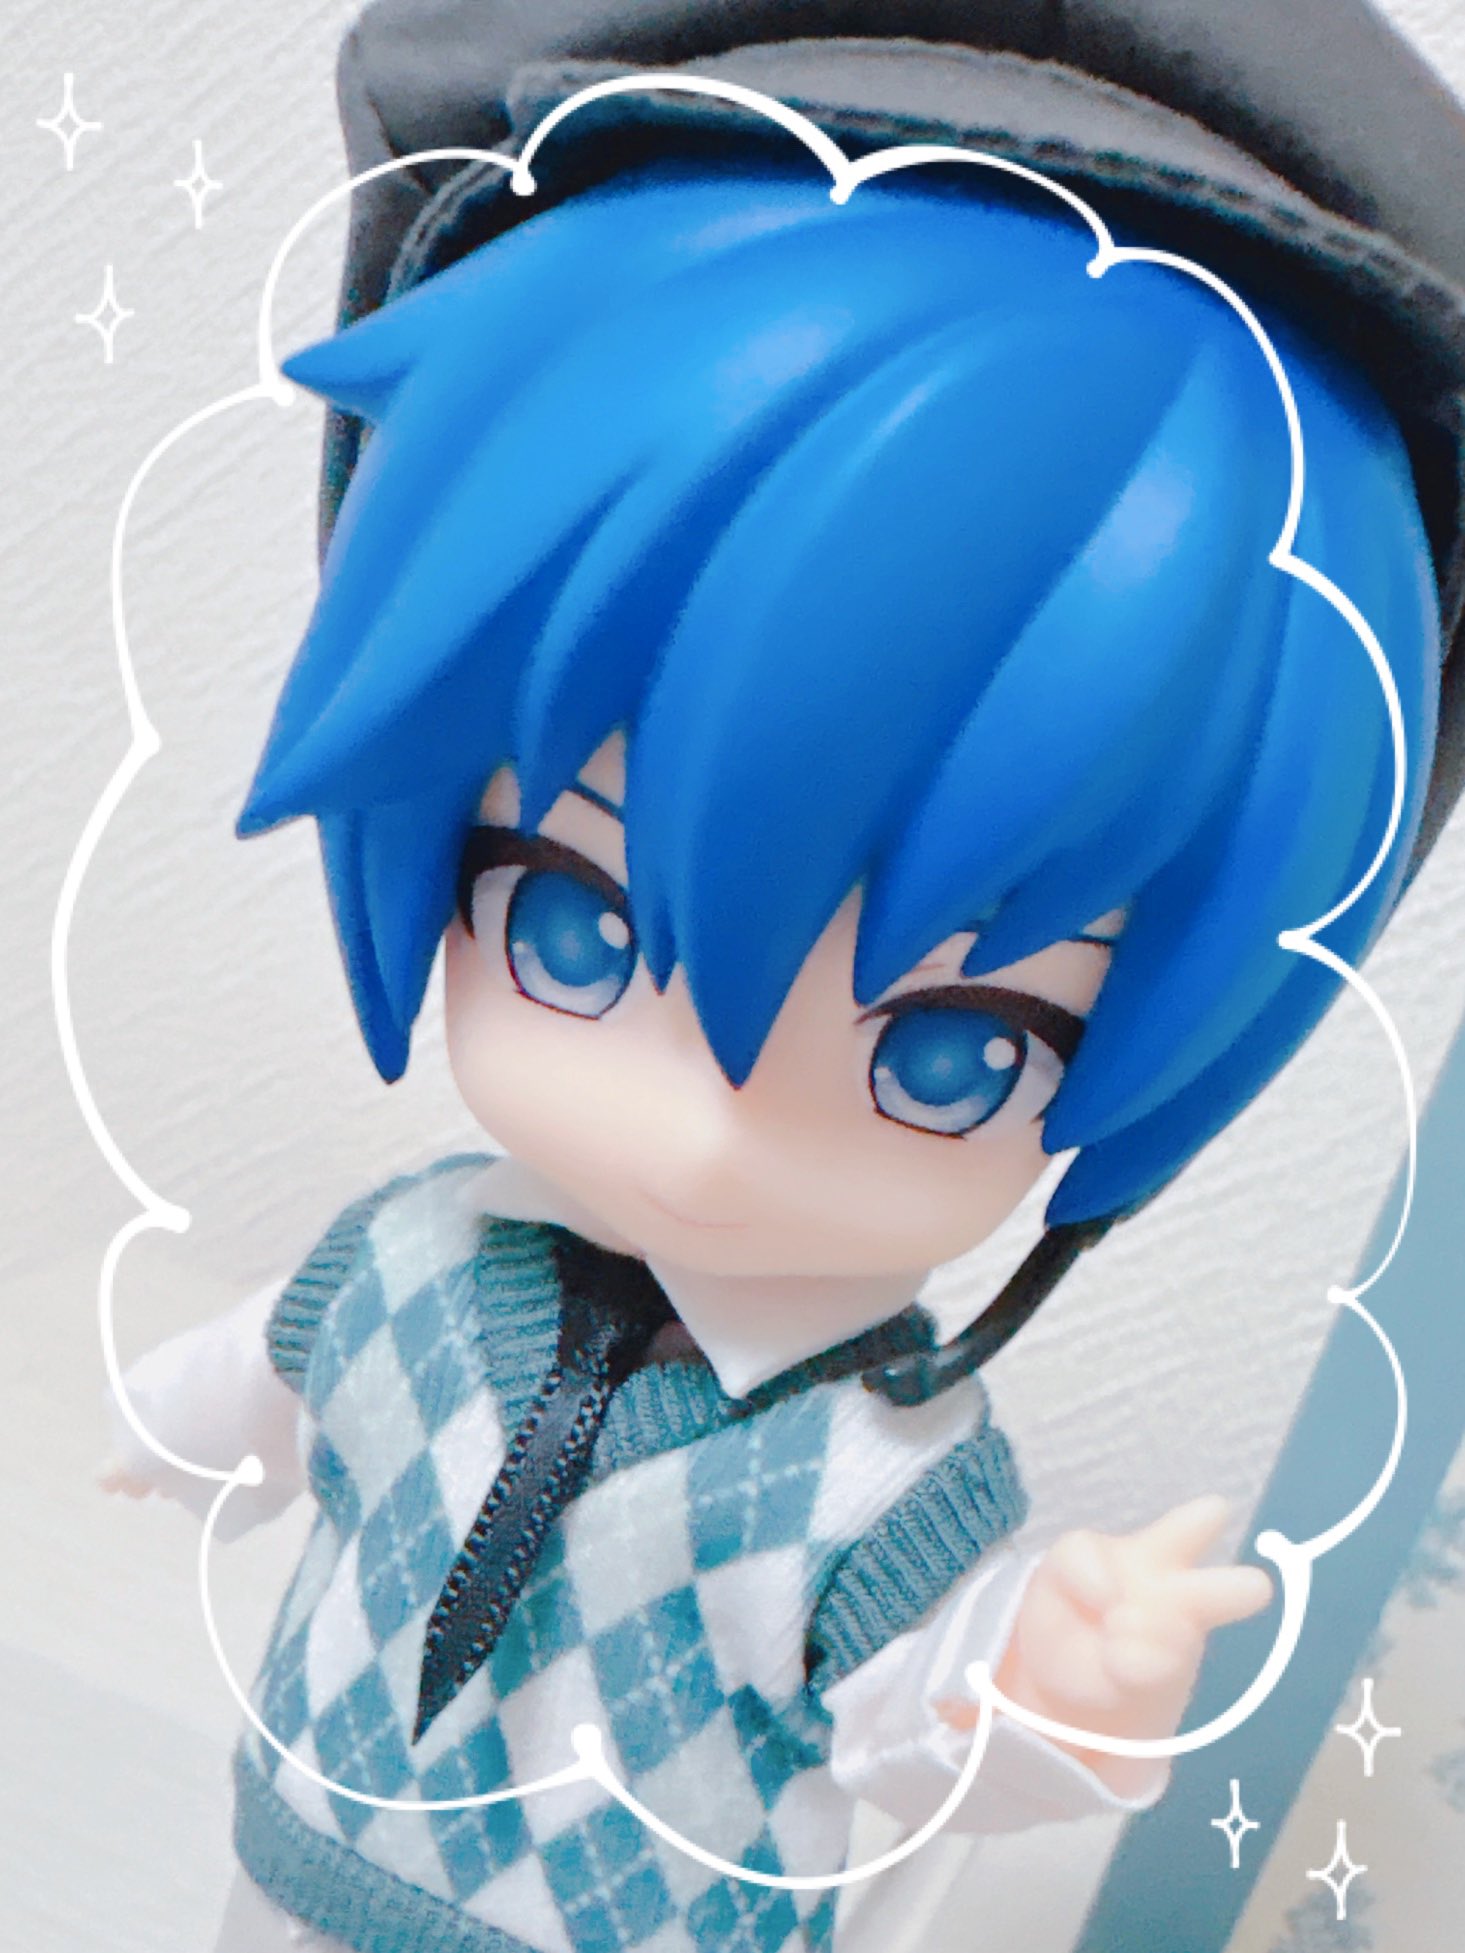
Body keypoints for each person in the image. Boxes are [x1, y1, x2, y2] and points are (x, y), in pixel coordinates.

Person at [105, 164, 1438, 1953]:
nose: (708, 1130)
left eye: (949, 1052)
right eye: (574, 923)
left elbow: (919, 1713)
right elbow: (269, 1372)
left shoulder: (871, 1470)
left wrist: (1048, 1678)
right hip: (291, 1872)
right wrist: (168, 1429)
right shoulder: (399, 1260)